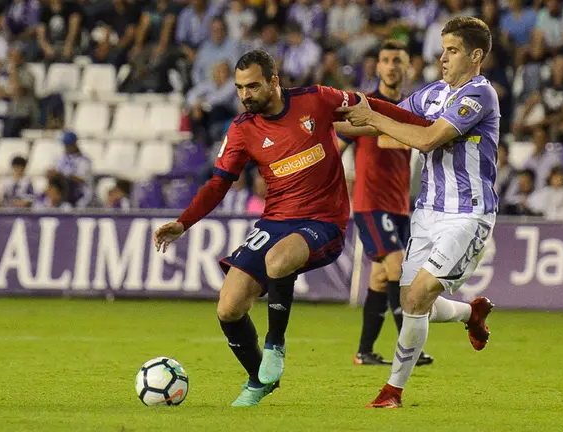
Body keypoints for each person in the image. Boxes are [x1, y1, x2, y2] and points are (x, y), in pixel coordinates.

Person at [152, 50, 432, 407]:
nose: (245, 95)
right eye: (239, 88)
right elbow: (219, 183)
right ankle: (258, 380)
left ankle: (275, 346)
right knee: (229, 307)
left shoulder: (316, 99)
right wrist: (183, 221)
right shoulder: (242, 129)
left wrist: (423, 126)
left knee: (278, 260)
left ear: (274, 80)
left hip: (324, 220)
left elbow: (371, 105)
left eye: (252, 86)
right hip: (276, 220)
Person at [336, 16, 499, 408]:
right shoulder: (433, 94)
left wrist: (373, 116)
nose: (443, 58)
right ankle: (469, 313)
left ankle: (392, 390)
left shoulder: (478, 96)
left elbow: (426, 139)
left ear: (476, 56)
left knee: (416, 297)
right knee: (413, 298)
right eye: (442, 50)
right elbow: (381, 122)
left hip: (466, 214)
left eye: (453, 50)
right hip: (426, 212)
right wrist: (324, 122)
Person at [338, 39, 433, 367]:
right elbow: (337, 145)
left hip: (399, 206)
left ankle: (364, 352)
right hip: (370, 203)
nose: (391, 66)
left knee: (380, 278)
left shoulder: (409, 110)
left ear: (408, 68)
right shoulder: (366, 106)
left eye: (398, 60)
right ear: (377, 66)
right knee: (398, 267)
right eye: (385, 60)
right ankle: (410, 348)